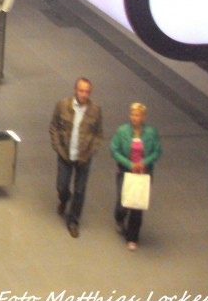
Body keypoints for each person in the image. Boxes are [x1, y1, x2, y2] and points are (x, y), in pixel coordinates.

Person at [49, 77, 103, 238]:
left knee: (80, 190)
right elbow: (54, 127)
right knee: (62, 185)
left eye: (87, 91)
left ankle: (73, 221)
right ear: (75, 90)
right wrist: (58, 147)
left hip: (83, 158)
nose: (84, 94)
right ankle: (64, 198)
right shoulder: (62, 106)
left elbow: (98, 134)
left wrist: (91, 152)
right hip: (65, 154)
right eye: (81, 90)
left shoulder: (95, 110)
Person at [110, 101, 161, 251]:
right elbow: (114, 150)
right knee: (122, 203)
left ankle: (132, 237)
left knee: (137, 206)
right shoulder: (122, 131)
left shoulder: (151, 133)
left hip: (143, 174)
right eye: (132, 114)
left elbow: (157, 152)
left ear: (143, 117)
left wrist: (144, 162)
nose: (134, 117)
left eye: (137, 115)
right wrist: (128, 163)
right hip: (125, 172)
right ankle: (119, 218)